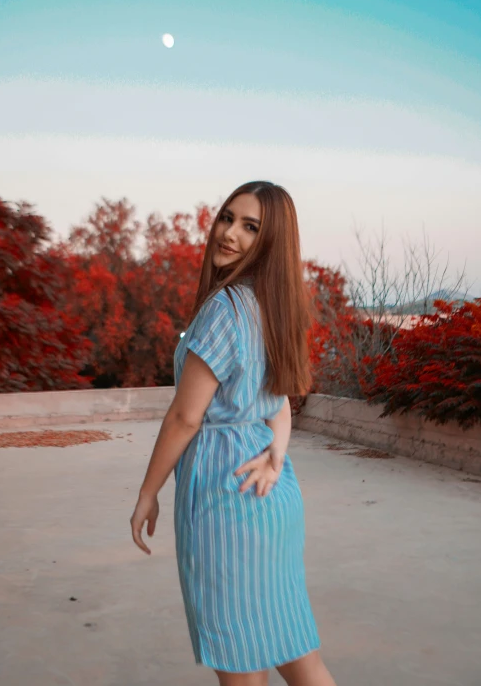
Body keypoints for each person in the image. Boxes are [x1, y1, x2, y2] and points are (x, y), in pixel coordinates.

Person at [131, 181, 337, 686]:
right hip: (272, 494)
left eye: (251, 228)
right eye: (228, 218)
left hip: (228, 499)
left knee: (242, 664)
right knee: (295, 652)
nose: (230, 234)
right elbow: (282, 402)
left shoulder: (226, 309)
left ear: (271, 242)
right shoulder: (276, 308)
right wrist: (275, 457)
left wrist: (147, 492)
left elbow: (185, 418)